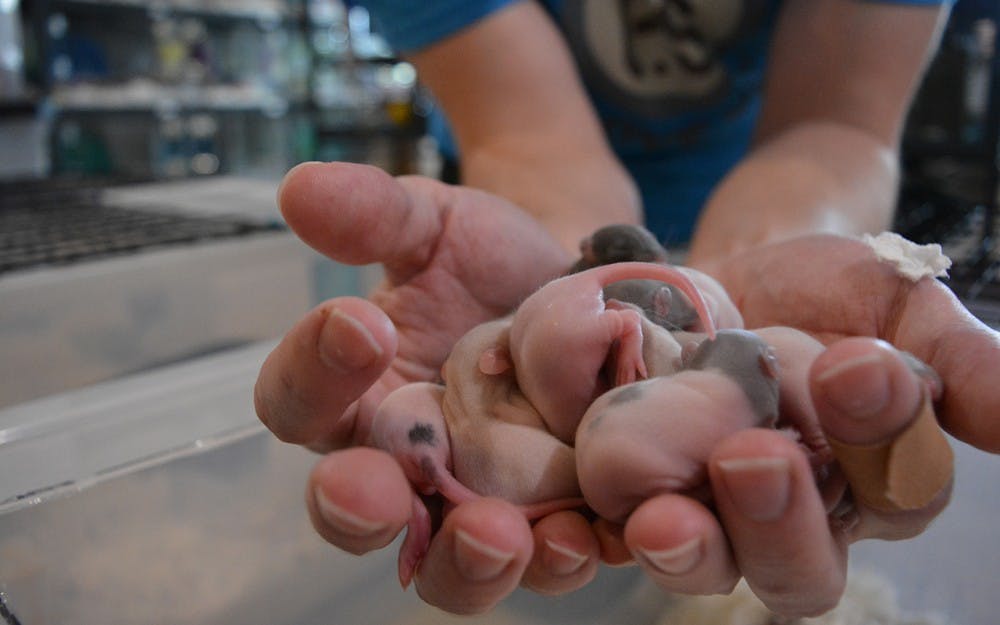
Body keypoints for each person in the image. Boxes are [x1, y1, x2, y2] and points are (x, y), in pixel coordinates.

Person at [254, 0, 1000, 618]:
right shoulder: (609, 342)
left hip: (610, 349)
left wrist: (746, 272)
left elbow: (838, 126)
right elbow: (527, 132)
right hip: (569, 322)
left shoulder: (595, 345)